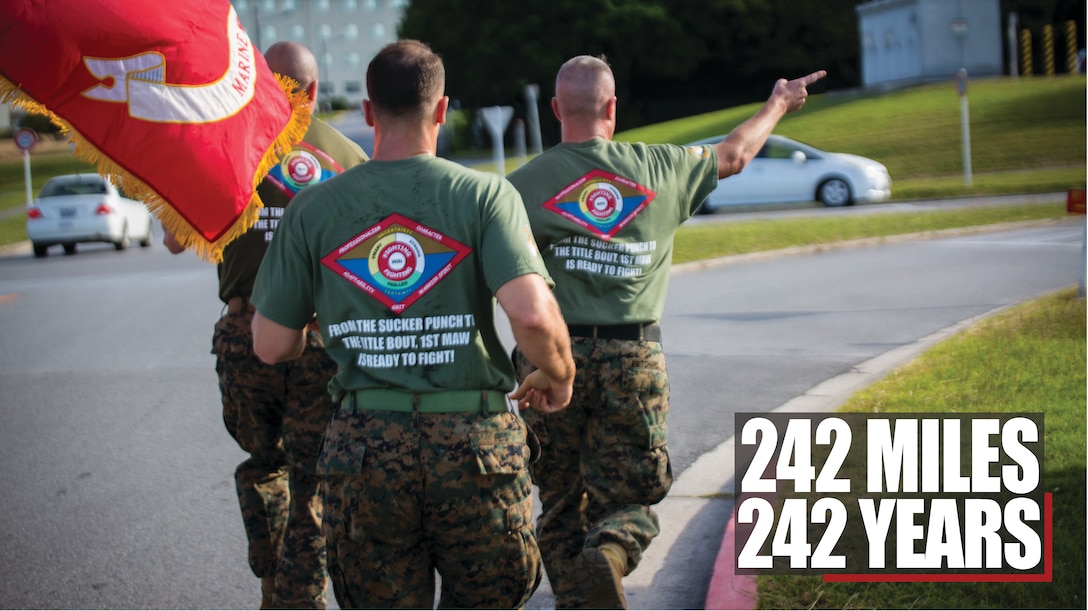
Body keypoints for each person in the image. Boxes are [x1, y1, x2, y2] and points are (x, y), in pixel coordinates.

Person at [249, 39, 576, 609]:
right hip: (473, 447)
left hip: (364, 449)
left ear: (369, 112)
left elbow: (271, 344)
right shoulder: (484, 194)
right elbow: (529, 314)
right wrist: (560, 373)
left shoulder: (313, 209)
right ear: (443, 109)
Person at [506, 54, 826, 609]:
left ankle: (579, 598)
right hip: (634, 357)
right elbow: (736, 153)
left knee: (558, 498)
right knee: (632, 493)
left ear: (556, 109)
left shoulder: (522, 187)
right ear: (612, 107)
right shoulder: (662, 166)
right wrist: (779, 101)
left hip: (550, 359)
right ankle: (610, 551)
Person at [163, 40, 369, 609]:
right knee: (314, 478)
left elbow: (176, 238)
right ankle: (300, 595)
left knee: (263, 464)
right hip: (319, 338)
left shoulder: (226, 148)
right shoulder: (349, 157)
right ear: (315, 90)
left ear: (256, 84)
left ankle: (276, 584)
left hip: (244, 332)